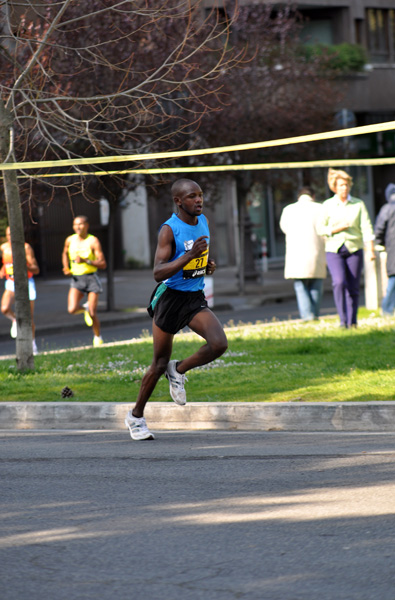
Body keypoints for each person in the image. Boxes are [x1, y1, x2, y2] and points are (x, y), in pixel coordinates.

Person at [124, 178, 228, 441]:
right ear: (178, 201)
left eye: (200, 195)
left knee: (218, 344)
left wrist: (206, 266)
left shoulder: (203, 221)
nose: (199, 200)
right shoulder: (169, 230)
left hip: (194, 297)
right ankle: (136, 417)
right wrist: (189, 257)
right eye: (192, 196)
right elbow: (158, 272)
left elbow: (197, 263)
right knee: (158, 363)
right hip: (170, 298)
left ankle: (178, 369)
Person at [317, 168, 375, 328]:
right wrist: (336, 229)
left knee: (353, 286)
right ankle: (343, 320)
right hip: (334, 249)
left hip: (354, 249)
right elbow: (320, 228)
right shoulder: (327, 205)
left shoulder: (358, 204)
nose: (344, 188)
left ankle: (353, 321)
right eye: (341, 185)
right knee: (339, 282)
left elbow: (367, 227)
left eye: (347, 185)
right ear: (335, 187)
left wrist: (370, 249)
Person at [279, 187, 326, 321]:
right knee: (316, 284)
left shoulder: (288, 209)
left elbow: (284, 228)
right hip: (316, 252)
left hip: (296, 254)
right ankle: (315, 314)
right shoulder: (320, 208)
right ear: (313, 195)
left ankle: (307, 316)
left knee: (300, 286)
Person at [62, 215, 107, 346]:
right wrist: (66, 267)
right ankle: (85, 308)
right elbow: (64, 253)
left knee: (93, 312)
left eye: (80, 224)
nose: (78, 227)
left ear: (87, 225)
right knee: (72, 309)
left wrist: (86, 260)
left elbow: (103, 263)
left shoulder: (93, 241)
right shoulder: (70, 240)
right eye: (75, 224)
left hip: (91, 278)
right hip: (77, 279)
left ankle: (97, 337)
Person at [0, 226, 40, 354]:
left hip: (26, 283)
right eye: (8, 234)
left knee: (29, 318)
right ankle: (15, 319)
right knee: (5, 308)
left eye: (12, 234)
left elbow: (36, 269)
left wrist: (25, 265)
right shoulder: (3, 248)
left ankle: (32, 344)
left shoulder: (26, 248)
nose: (10, 237)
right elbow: (5, 264)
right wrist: (2, 270)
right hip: (11, 283)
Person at [374, 183, 395, 316]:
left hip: (393, 248)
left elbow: (379, 228)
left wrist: (379, 242)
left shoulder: (387, 209)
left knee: (393, 278)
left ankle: (387, 309)